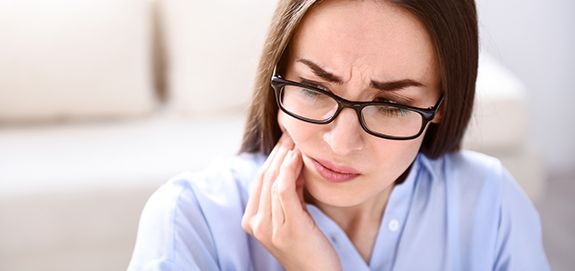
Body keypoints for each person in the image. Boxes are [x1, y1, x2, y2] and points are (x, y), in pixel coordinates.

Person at [127, 0, 550, 270]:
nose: (341, 143)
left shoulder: (491, 206)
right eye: (314, 90)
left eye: (391, 106)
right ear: (279, 77)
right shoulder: (191, 220)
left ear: (441, 107)